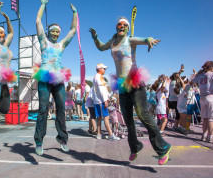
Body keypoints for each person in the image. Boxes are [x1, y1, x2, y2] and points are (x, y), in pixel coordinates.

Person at [90, 17, 171, 165]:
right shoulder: (113, 42)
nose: (121, 26)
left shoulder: (131, 40)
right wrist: (95, 37)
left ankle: (163, 148)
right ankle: (135, 147)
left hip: (135, 81)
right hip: (122, 84)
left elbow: (144, 39)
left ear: (127, 28)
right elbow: (101, 47)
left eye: (124, 25)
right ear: (116, 27)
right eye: (119, 24)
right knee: (127, 118)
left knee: (143, 115)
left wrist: (149, 40)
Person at [32, 0, 77, 156]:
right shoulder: (44, 41)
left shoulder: (61, 45)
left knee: (61, 109)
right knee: (43, 109)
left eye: (58, 31)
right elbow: (38, 21)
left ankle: (62, 138)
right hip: (45, 77)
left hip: (58, 78)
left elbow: (72, 31)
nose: (56, 33)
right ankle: (39, 141)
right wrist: (43, 5)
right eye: (53, 31)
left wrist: (75, 14)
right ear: (49, 32)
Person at [92, 63, 120, 141]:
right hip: (101, 101)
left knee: (99, 117)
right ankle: (111, 135)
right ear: (100, 69)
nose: (105, 70)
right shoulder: (99, 78)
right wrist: (105, 100)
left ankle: (99, 134)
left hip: (98, 101)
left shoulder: (95, 77)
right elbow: (102, 90)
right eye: (104, 69)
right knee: (106, 117)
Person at [191, 61, 213, 142]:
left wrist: (197, 74)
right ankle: (210, 136)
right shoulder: (211, 74)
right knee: (211, 118)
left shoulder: (200, 75)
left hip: (202, 97)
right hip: (210, 96)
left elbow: (193, 81)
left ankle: (204, 135)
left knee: (205, 118)